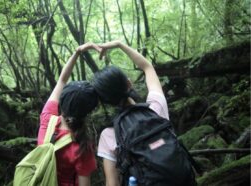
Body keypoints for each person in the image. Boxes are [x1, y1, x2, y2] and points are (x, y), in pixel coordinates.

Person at [93, 40, 169, 186]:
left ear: (106, 102)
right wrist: (120, 44)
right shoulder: (155, 108)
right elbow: (147, 67)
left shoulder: (109, 135)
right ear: (129, 84)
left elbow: (112, 183)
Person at [37, 43, 101, 186]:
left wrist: (77, 52)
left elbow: (62, 80)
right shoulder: (82, 147)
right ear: (88, 111)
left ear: (62, 100)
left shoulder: (47, 119)